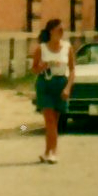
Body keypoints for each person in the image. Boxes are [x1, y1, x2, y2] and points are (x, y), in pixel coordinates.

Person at [30, 18, 74, 164]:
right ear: (51, 31)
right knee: (49, 121)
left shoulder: (67, 47)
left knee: (55, 121)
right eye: (59, 30)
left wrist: (68, 88)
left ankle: (47, 151)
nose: (61, 32)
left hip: (60, 84)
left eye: (63, 30)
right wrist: (43, 66)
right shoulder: (41, 48)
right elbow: (34, 69)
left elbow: (72, 70)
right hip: (45, 84)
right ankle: (53, 152)